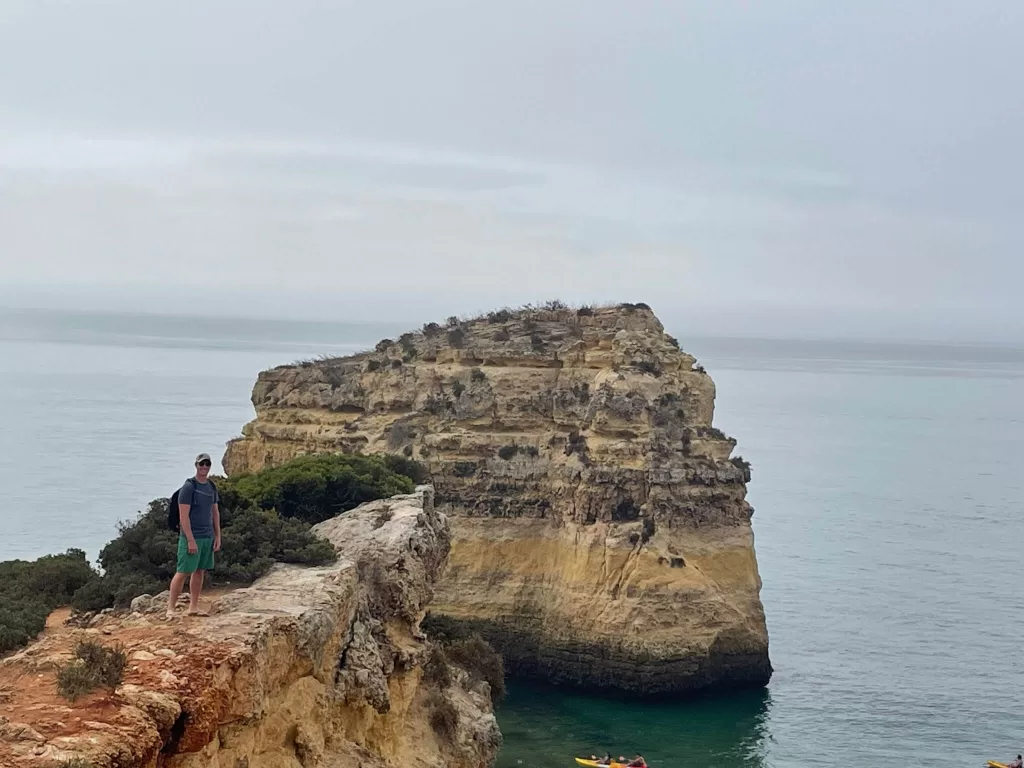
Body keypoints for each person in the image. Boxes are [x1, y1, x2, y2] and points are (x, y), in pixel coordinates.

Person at [166, 453, 221, 619]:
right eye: (201, 464)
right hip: (192, 536)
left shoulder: (211, 486)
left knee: (199, 571)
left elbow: (215, 511)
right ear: (196, 465)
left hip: (207, 536)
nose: (204, 467)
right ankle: (171, 608)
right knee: (182, 571)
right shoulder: (189, 487)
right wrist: (190, 539)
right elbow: (183, 516)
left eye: (207, 464)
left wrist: (218, 535)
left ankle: (194, 607)